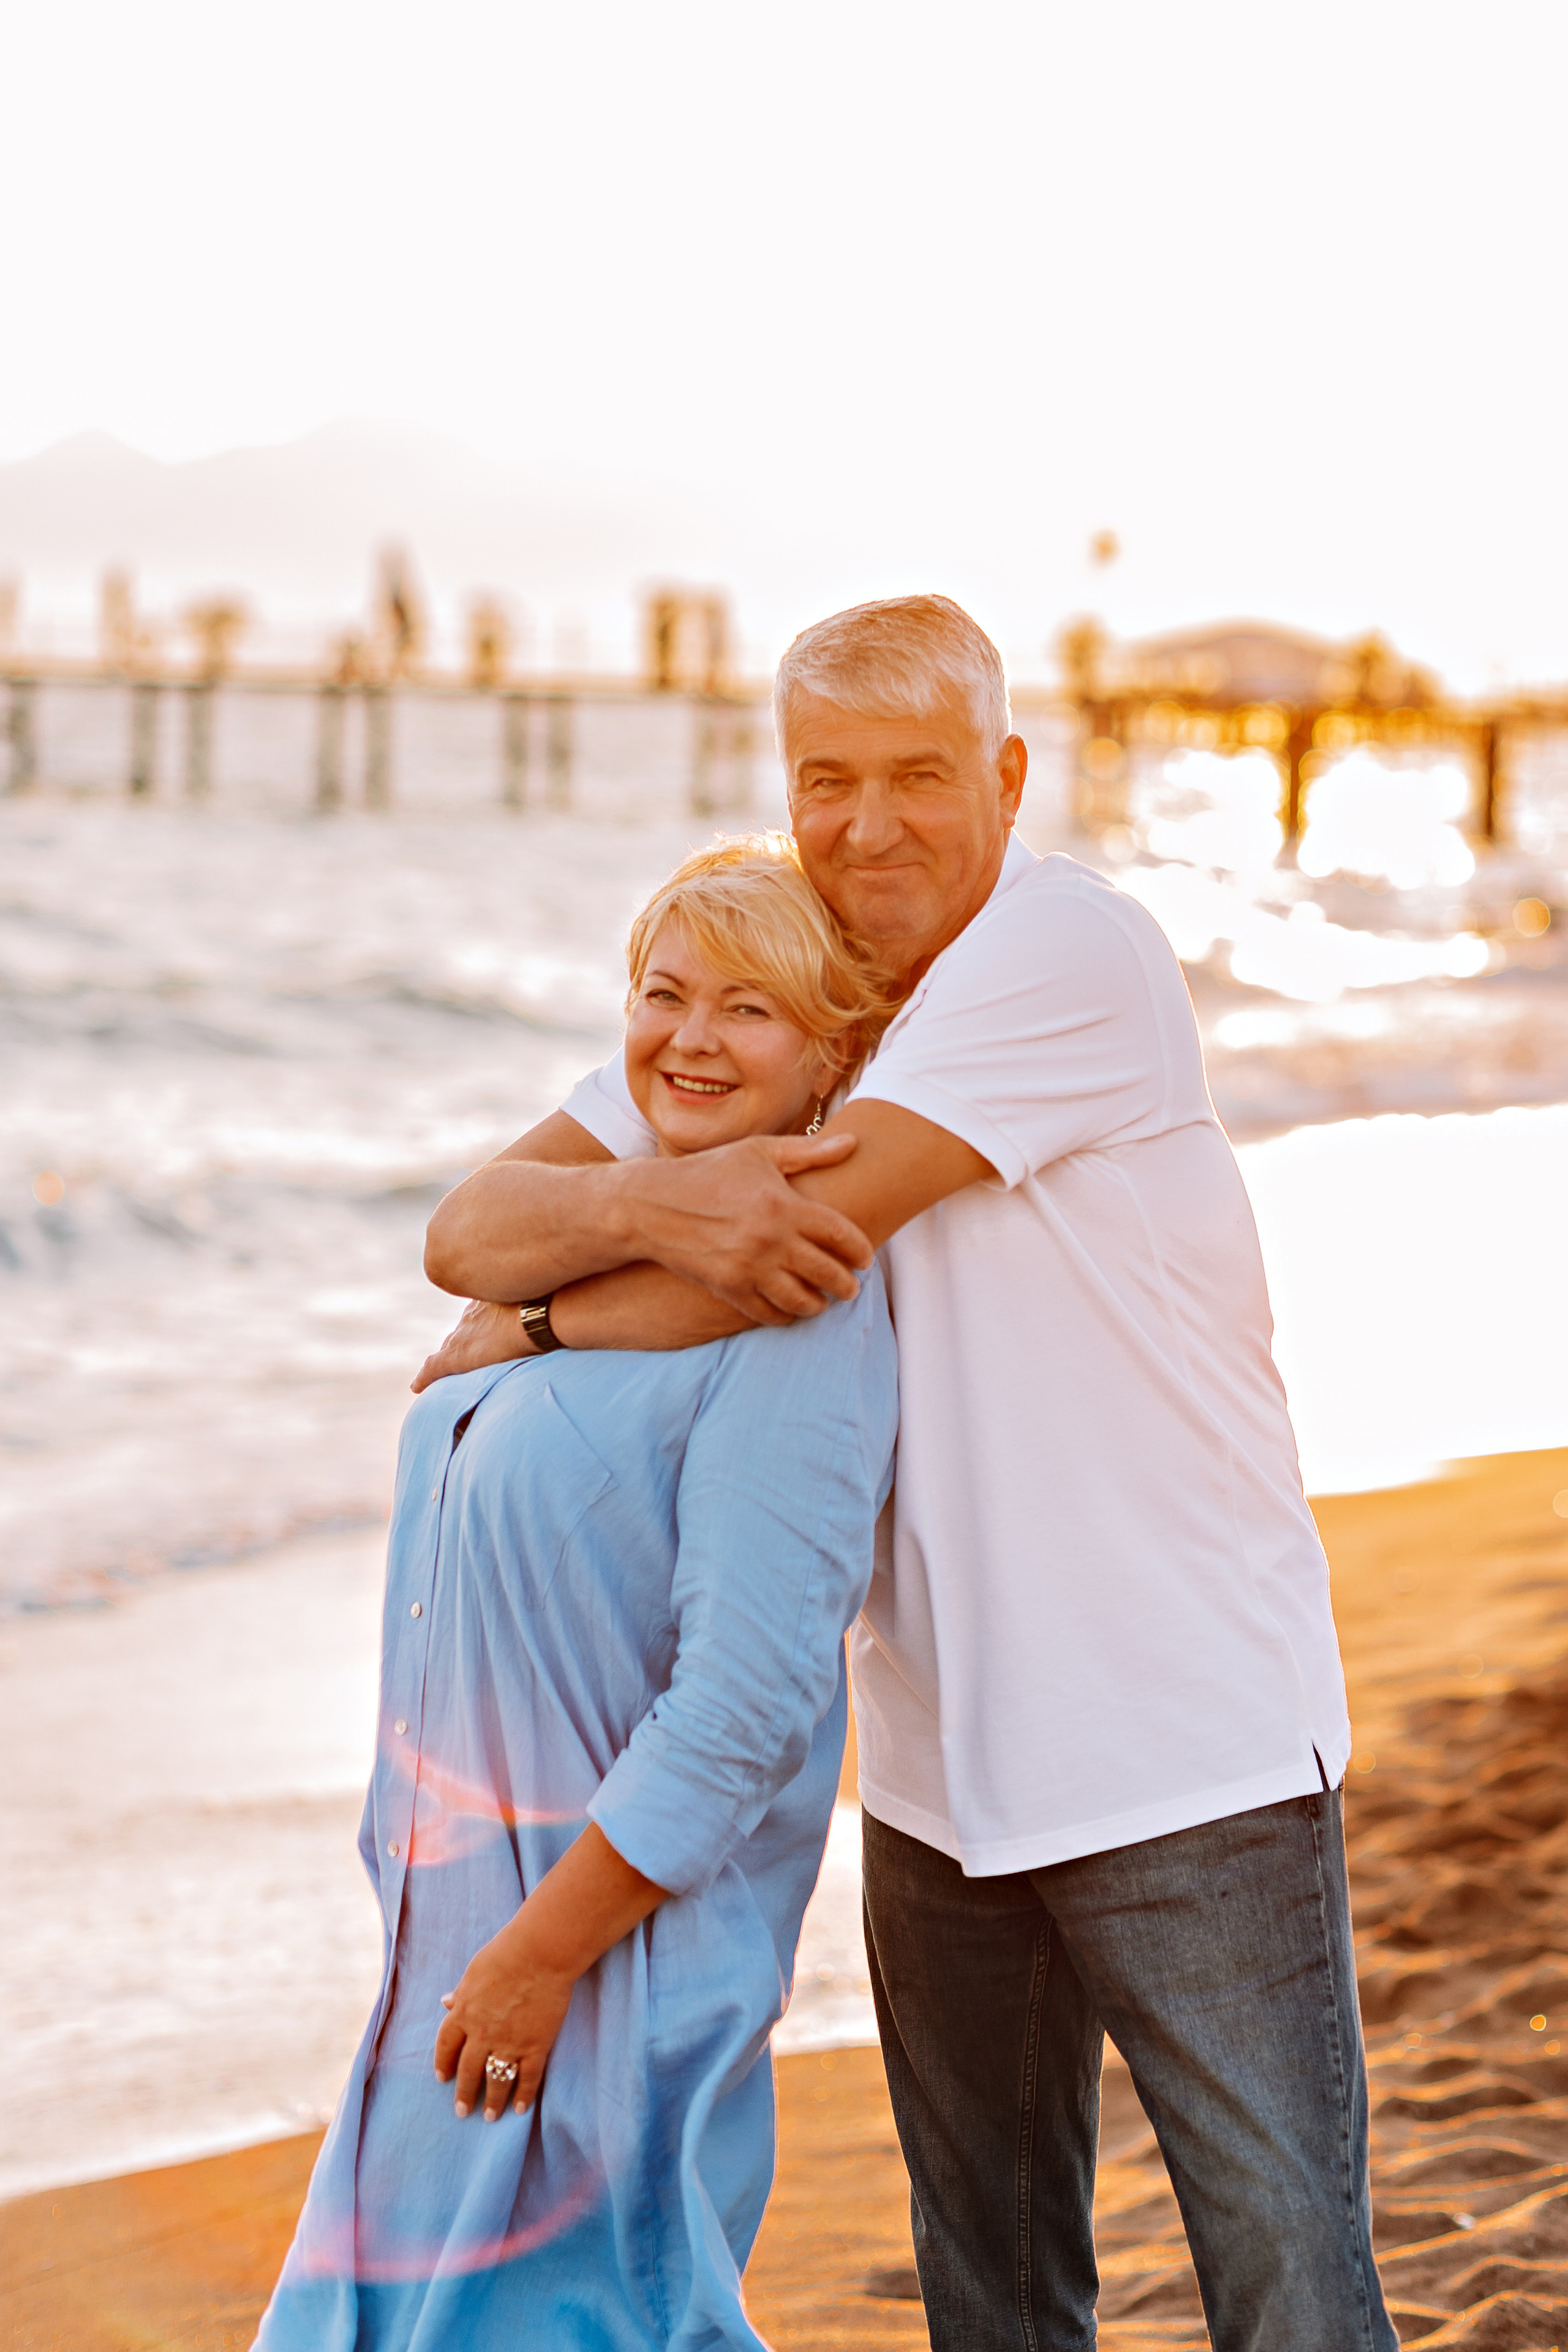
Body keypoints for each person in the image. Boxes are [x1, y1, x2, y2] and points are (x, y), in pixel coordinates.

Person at [417, 595, 1398, 2352]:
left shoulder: (1063, 948)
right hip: (943, 1781)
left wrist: (552, 1325)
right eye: (827, 781)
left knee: (1288, 2282)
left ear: (1009, 778)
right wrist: (643, 1206)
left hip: (1191, 1757)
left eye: (919, 777)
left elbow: (797, 1228)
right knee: (994, 2295)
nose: (868, 826)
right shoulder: (803, 1002)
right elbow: (467, 1226)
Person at [255, 837, 899, 2351]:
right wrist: (553, 1301)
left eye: (748, 1009)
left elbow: (745, 1710)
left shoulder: (799, 1319)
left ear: (830, 1058)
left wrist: (540, 1959)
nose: (688, 1037)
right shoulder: (594, 1246)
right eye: (663, 996)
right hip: (458, 1940)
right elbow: (459, 1234)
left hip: (599, 1954)